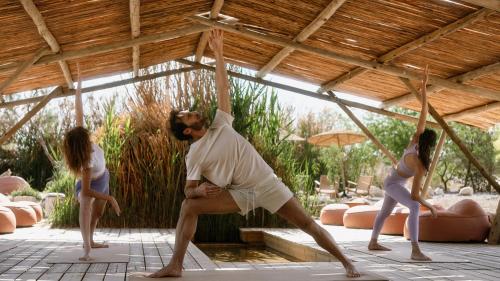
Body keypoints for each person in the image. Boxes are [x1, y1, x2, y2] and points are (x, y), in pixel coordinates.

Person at [150, 29, 360, 278]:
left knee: (307, 223)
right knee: (188, 205)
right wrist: (198, 191)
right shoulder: (194, 154)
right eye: (187, 114)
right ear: (187, 130)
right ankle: (176, 265)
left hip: (268, 183)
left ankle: (347, 263)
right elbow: (189, 189)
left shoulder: (221, 124)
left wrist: (218, 52)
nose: (193, 111)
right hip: (241, 194)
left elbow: (223, 88)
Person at [368, 66, 438, 260]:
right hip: (393, 183)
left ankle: (373, 242)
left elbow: (423, 114)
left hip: (394, 181)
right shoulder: (419, 161)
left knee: (385, 211)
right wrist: (430, 206)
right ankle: (415, 250)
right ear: (430, 147)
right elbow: (415, 196)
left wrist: (424, 88)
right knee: (414, 207)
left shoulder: (415, 143)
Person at [63, 126, 121, 261]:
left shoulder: (92, 146)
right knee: (85, 206)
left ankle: (91, 241)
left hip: (104, 179)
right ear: (81, 145)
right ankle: (87, 250)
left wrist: (108, 196)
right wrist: (110, 198)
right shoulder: (87, 162)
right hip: (88, 185)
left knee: (97, 214)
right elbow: (86, 190)